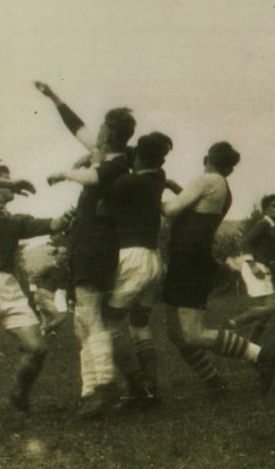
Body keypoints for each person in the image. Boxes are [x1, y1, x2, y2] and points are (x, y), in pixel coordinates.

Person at [36, 81, 135, 417]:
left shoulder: (117, 162)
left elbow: (94, 177)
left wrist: (65, 173)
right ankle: (91, 389)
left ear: (110, 133)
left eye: (103, 126)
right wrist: (55, 98)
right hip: (87, 241)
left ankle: (106, 385)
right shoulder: (107, 154)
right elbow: (76, 127)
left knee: (89, 314)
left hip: (97, 243)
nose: (97, 130)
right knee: (83, 319)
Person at [161, 142, 275, 395]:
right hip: (189, 259)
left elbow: (170, 210)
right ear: (230, 169)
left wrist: (145, 194)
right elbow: (195, 207)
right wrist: (174, 187)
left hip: (188, 260)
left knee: (192, 334)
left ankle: (262, 356)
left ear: (206, 158)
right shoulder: (222, 187)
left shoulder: (207, 180)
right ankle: (214, 382)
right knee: (175, 332)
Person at [0, 166, 72, 422]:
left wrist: (69, 215)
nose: (11, 184)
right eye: (4, 180)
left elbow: (54, 224)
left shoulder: (16, 220)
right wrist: (14, 181)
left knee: (38, 348)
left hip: (8, 285)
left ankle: (19, 394)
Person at [100, 131, 173, 409]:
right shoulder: (158, 177)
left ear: (138, 156)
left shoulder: (126, 183)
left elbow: (101, 209)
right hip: (154, 259)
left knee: (107, 324)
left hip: (132, 258)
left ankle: (136, 387)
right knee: (139, 324)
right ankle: (151, 387)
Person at [225, 194, 275, 344]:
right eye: (273, 206)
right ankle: (233, 323)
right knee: (272, 307)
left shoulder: (272, 225)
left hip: (262, 267)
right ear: (265, 209)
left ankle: (252, 345)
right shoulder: (263, 223)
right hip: (255, 268)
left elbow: (264, 247)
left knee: (266, 314)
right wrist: (252, 266)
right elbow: (245, 243)